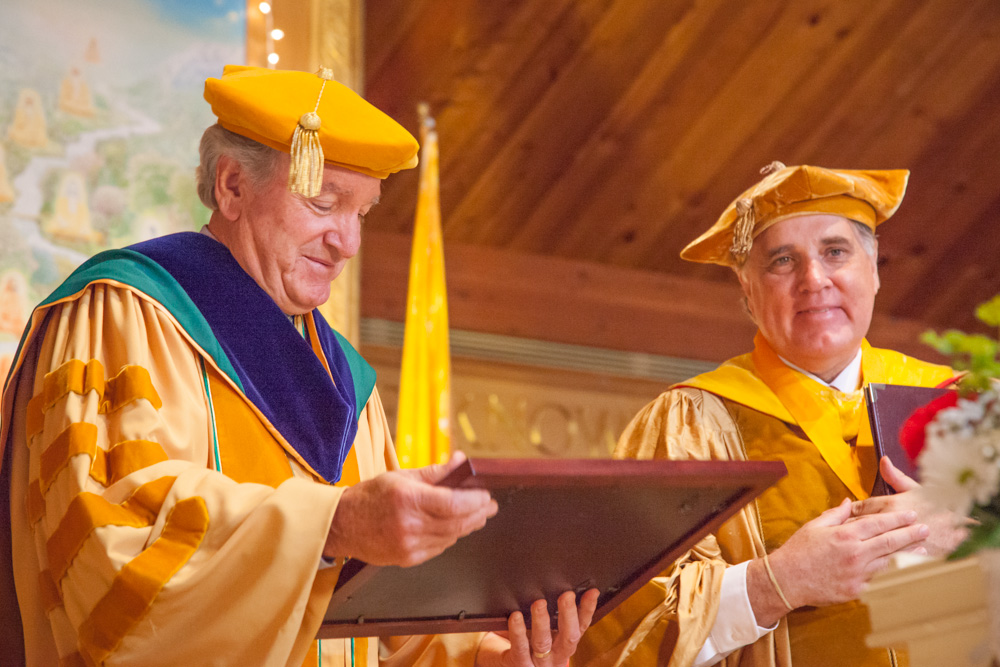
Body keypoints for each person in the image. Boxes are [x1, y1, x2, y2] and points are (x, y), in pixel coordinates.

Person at [0, 65, 598, 666]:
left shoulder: (348, 387)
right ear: (233, 186)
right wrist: (331, 527)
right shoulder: (123, 315)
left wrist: (493, 658)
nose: (348, 244)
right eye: (323, 203)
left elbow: (378, 631)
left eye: (362, 214)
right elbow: (111, 556)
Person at [571, 163, 965, 667]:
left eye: (835, 252)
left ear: (873, 271)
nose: (813, 280)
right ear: (747, 291)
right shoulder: (690, 424)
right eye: (783, 260)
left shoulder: (961, 404)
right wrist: (776, 584)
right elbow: (615, 629)